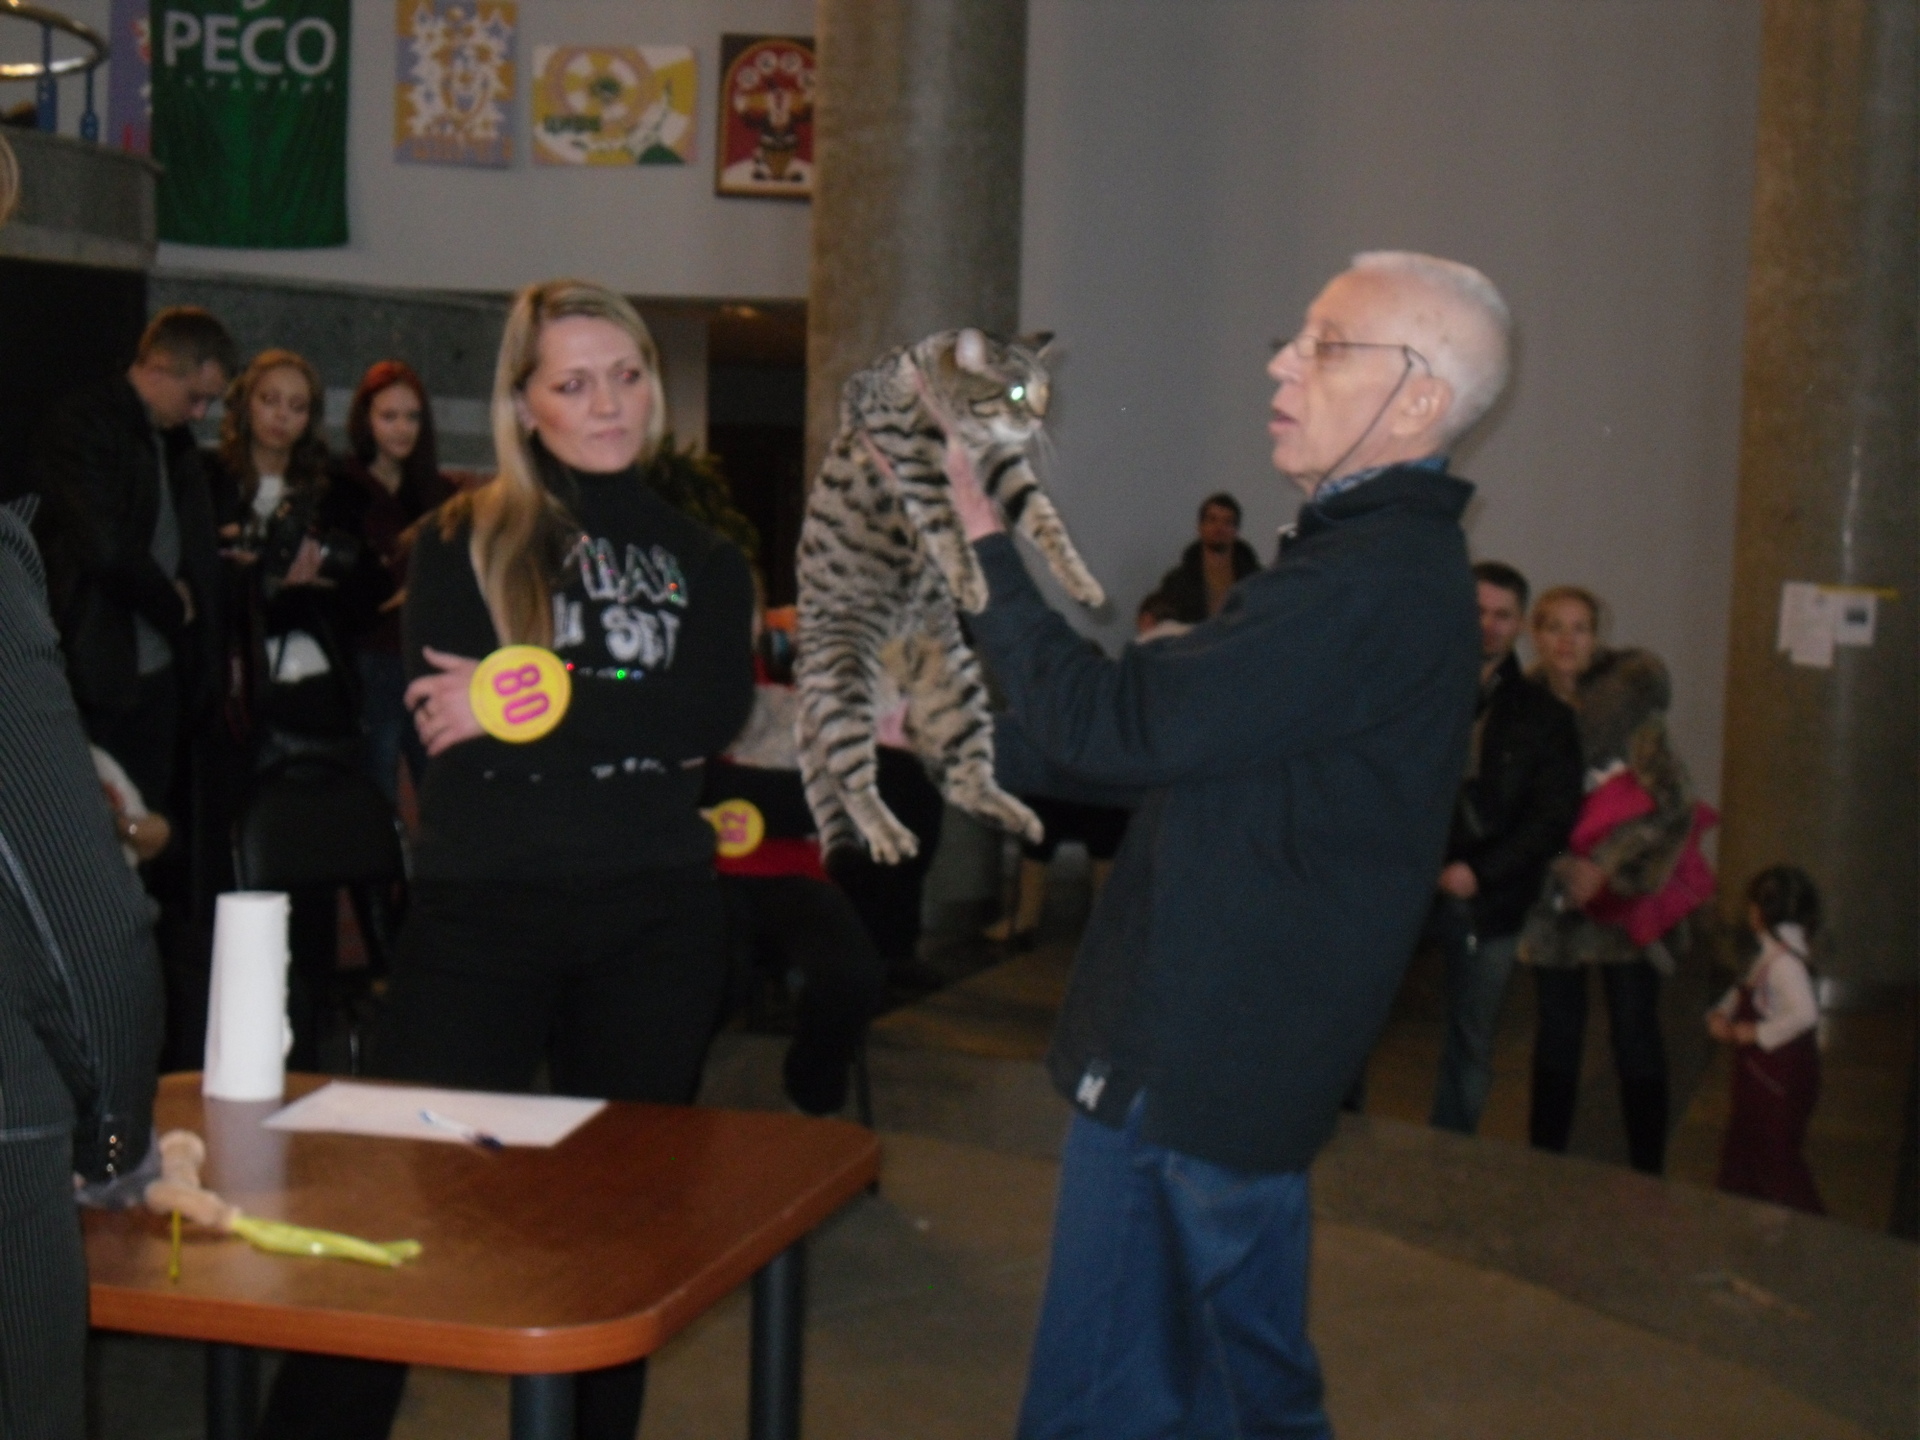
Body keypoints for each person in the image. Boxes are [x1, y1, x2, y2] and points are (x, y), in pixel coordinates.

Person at [950, 250, 1509, 1437]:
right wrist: (958, 737)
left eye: (1325, 345)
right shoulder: (1365, 565)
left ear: (1417, 399)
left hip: (1201, 1056)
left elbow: (1111, 726)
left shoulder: (1363, 581)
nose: (1282, 366)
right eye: (1292, 338)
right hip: (1219, 1054)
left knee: (1158, 1398)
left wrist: (980, 540)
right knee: (1202, 1385)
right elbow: (1181, 758)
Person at [256, 279, 754, 1440]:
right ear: (525, 404)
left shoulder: (706, 558)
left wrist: (535, 692)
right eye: (574, 383)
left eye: (626, 375)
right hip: (483, 918)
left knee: (615, 1241)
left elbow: (705, 713)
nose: (609, 403)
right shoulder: (458, 539)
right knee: (387, 1211)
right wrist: (597, 704)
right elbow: (457, 731)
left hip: (655, 921)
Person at [1517, 586, 1715, 1176]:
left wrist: (1605, 865)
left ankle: (1647, 1168)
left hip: (1623, 894)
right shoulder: (1520, 708)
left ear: (1596, 636)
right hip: (1554, 897)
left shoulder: (1629, 706)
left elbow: (1674, 802)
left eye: (1579, 628)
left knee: (1634, 1027)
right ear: (1535, 633)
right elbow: (1512, 806)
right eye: (1554, 627)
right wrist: (1562, 866)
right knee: (1557, 1030)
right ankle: (1545, 1163)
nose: (1566, 640)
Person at [31, 307, 236, 807]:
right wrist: (174, 605)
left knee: (153, 819)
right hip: (98, 671)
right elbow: (106, 550)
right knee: (98, 820)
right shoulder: (85, 422)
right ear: (159, 367)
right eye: (195, 397)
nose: (200, 414)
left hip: (158, 671)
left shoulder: (172, 441)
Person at [706, 607, 887, 1115]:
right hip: (704, 872)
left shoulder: (814, 686)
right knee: (706, 981)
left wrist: (735, 790)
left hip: (795, 871)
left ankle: (810, 1098)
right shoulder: (701, 684)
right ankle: (666, 1115)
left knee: (852, 976)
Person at [1427, 561, 1583, 1134]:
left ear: (1519, 625)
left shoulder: (1545, 717)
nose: (1488, 626)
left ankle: (1447, 1156)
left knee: (1471, 1039)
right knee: (1356, 1020)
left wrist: (1481, 872)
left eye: (1502, 615)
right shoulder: (1418, 691)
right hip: (1406, 883)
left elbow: (1551, 818)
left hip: (1488, 899)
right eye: (1477, 611)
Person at [332, 360, 453, 801]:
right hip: (370, 654)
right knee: (376, 786)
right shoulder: (343, 487)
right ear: (366, 420)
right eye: (389, 416)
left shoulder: (437, 493)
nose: (402, 429)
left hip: (427, 656)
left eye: (412, 417)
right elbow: (346, 585)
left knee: (440, 784)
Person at [1710, 865, 1824, 1214]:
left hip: (1775, 1081)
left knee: (1773, 1160)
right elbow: (1747, 986)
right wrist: (1723, 1011)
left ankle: (1800, 1227)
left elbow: (1805, 1013)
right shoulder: (1775, 950)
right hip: (1763, 1078)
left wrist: (1757, 1032)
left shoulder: (1785, 963)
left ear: (1761, 913)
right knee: (1750, 1151)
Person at [1154, 491, 1262, 623]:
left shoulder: (1255, 579)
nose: (1219, 527)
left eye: (1227, 522)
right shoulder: (1177, 583)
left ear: (1236, 530)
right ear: (1200, 527)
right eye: (1212, 520)